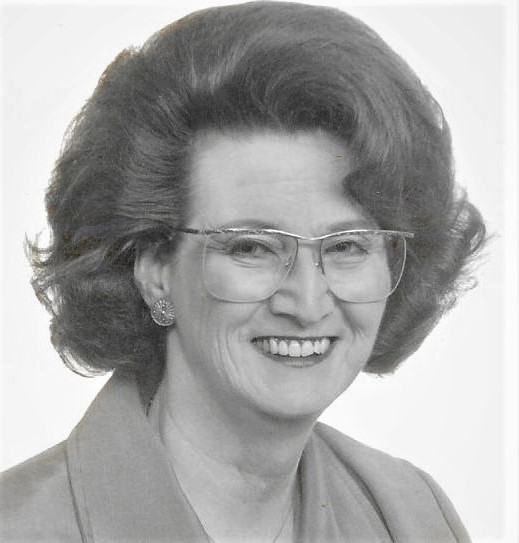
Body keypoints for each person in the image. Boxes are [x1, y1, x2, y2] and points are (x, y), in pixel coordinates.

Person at [0, 2, 487, 541]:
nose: (307, 303)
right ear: (155, 268)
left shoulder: (414, 517)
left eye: (348, 246)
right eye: (252, 248)